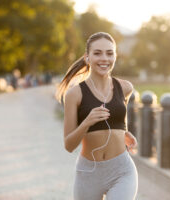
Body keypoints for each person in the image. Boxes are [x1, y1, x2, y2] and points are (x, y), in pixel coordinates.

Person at [56, 32, 138, 200]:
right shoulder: (74, 94)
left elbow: (121, 117)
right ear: (87, 57)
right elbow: (69, 145)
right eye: (97, 53)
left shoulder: (126, 88)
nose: (104, 58)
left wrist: (124, 132)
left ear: (115, 56)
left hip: (122, 170)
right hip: (88, 173)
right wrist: (87, 122)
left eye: (110, 53)